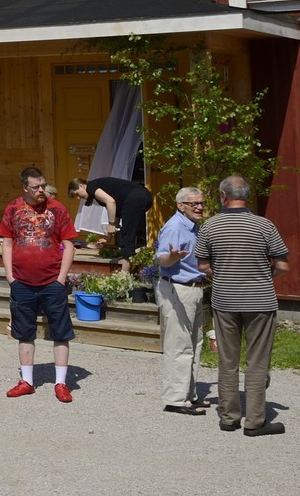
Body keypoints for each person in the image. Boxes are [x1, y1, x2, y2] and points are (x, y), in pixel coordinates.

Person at [195, 174, 292, 436]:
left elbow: (203, 265)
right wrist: (263, 275)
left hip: (225, 300)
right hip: (260, 300)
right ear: (246, 195)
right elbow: (283, 266)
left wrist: (223, 274)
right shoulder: (264, 225)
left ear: (223, 195)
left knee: (227, 361)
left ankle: (229, 418)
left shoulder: (210, 226)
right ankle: (255, 421)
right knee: (257, 361)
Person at [0, 166, 77, 402]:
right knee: (24, 332)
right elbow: (7, 243)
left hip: (52, 282)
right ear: (25, 187)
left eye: (43, 185)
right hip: (22, 282)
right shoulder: (13, 208)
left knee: (60, 332)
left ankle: (61, 383)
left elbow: (69, 245)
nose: (42, 190)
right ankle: (27, 381)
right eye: (36, 187)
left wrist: (61, 278)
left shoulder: (57, 208)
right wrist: (10, 276)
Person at [155, 186, 210, 415]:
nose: (199, 207)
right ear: (180, 205)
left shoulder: (194, 227)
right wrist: (172, 257)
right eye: (193, 203)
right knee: (179, 345)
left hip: (194, 288)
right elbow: (161, 259)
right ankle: (175, 399)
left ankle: (189, 394)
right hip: (178, 288)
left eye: (201, 203)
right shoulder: (175, 226)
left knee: (194, 343)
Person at [68, 176, 153, 259]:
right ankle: (130, 261)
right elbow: (116, 212)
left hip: (136, 197)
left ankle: (126, 266)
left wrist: (111, 224)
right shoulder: (96, 187)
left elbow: (110, 202)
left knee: (127, 237)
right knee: (127, 234)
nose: (78, 198)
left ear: (81, 186)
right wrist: (108, 238)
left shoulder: (91, 187)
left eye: (77, 194)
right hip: (145, 196)